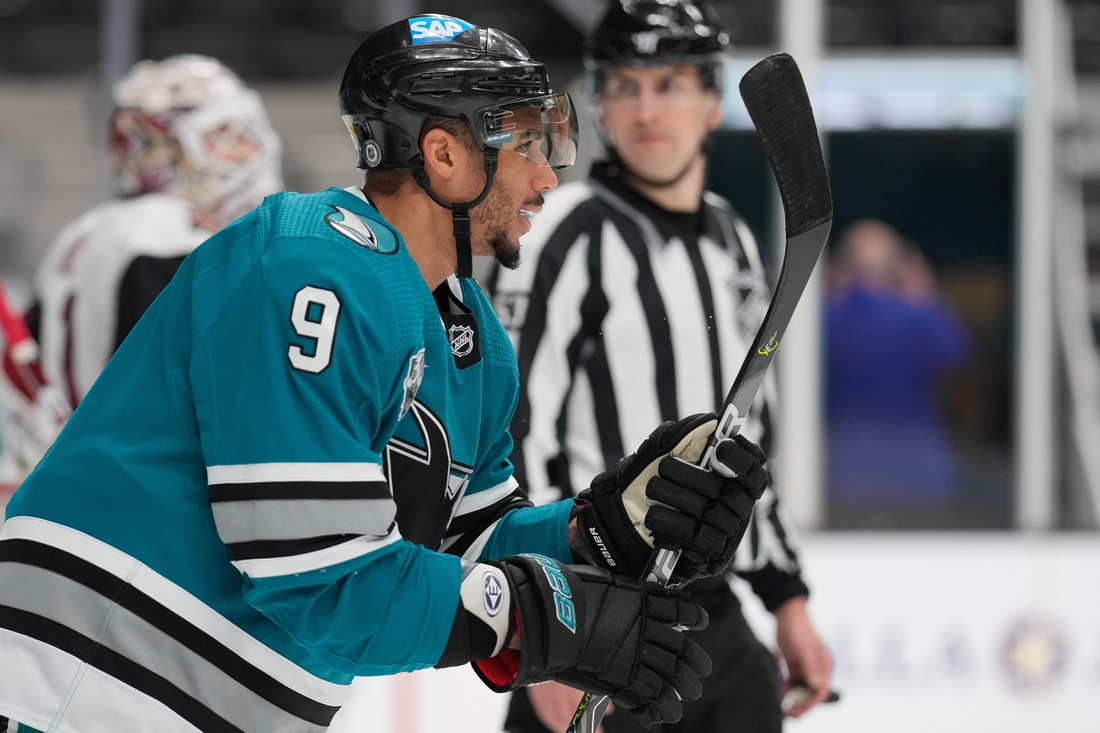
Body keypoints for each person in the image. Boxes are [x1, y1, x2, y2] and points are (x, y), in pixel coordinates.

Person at [0, 15, 775, 732]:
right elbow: (321, 583)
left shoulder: (471, 338)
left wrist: (601, 528)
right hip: (77, 694)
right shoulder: (307, 267)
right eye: (529, 144)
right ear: (443, 153)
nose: (547, 177)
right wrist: (545, 615)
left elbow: (468, 547)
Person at [490, 2, 834, 731]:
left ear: (712, 103)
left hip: (715, 620)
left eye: (671, 83)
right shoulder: (561, 235)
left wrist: (787, 598)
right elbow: (510, 434)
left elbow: (744, 438)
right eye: (627, 85)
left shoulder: (731, 239)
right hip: (594, 612)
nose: (648, 107)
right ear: (601, 104)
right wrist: (545, 626)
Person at [0, 54, 284, 479]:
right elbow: (199, 393)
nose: (250, 152)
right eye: (224, 137)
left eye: (249, 133)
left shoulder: (86, 230)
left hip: (72, 469)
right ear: (159, 148)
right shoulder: (167, 237)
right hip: (143, 482)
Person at [825, 219, 971, 510]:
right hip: (919, 467)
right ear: (897, 266)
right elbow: (960, 355)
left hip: (849, 468)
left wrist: (828, 293)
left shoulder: (828, 320)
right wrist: (924, 295)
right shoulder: (918, 319)